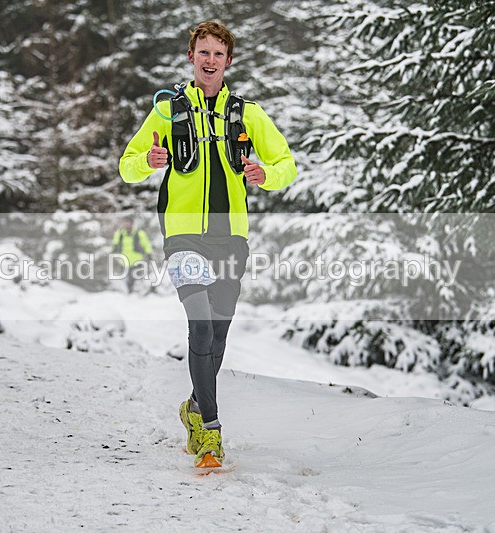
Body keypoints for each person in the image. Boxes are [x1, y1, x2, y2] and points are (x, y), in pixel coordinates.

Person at [119, 20, 296, 467]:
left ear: (228, 61)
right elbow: (127, 165)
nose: (210, 60)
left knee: (217, 333)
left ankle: (194, 408)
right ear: (191, 57)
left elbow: (286, 164)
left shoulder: (247, 113)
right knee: (200, 325)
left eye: (219, 53)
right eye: (203, 52)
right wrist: (149, 160)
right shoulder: (167, 109)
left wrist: (265, 174)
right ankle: (212, 432)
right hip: (182, 236)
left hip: (231, 238)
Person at [110, 216, 153, 294]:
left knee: (136, 277)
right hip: (123, 260)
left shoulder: (139, 233)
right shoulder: (119, 234)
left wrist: (149, 254)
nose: (125, 224)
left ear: (131, 223)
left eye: (127, 222)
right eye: (124, 222)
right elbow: (115, 244)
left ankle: (138, 292)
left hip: (137, 259)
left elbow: (146, 244)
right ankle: (128, 293)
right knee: (125, 278)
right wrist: (112, 251)